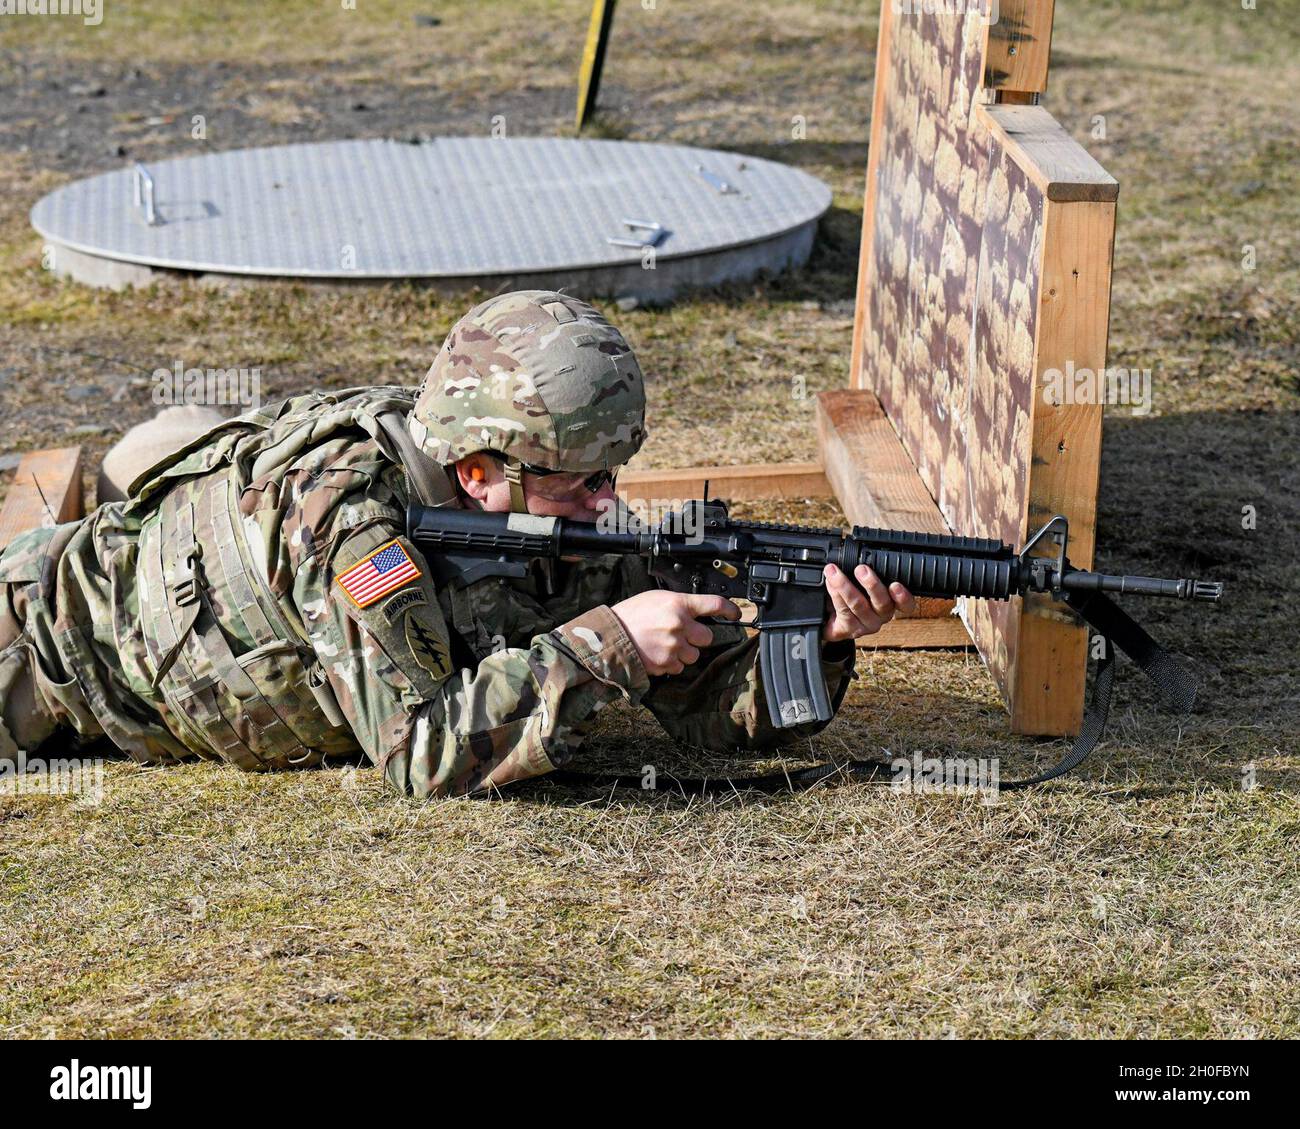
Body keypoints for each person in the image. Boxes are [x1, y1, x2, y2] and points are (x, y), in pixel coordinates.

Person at [0, 291, 915, 797]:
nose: (610, 505)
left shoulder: (548, 506)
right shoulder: (350, 525)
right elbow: (422, 753)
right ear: (480, 470)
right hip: (45, 650)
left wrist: (824, 638)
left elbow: (713, 713)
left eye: (614, 474)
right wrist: (606, 645)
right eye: (581, 482)